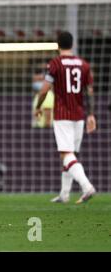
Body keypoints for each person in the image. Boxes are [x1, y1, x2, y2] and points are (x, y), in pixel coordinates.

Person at [35, 31, 96, 204]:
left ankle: (86, 186)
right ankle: (65, 194)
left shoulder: (55, 64)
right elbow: (89, 91)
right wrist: (91, 114)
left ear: (57, 45)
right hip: (79, 115)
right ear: (72, 44)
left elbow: (45, 89)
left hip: (62, 114)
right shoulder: (83, 65)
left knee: (66, 154)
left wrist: (38, 107)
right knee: (71, 155)